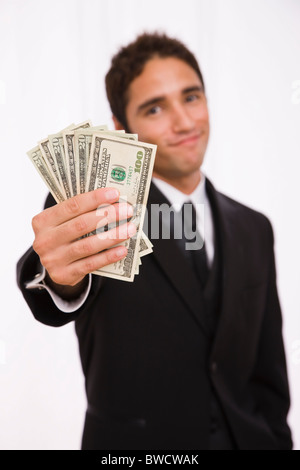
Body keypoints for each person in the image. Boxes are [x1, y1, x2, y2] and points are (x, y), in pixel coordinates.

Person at [17, 32, 293, 450]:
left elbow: (268, 373)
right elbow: (62, 274)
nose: (184, 122)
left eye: (192, 97)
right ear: (122, 129)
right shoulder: (93, 208)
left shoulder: (255, 228)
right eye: (155, 108)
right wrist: (57, 278)